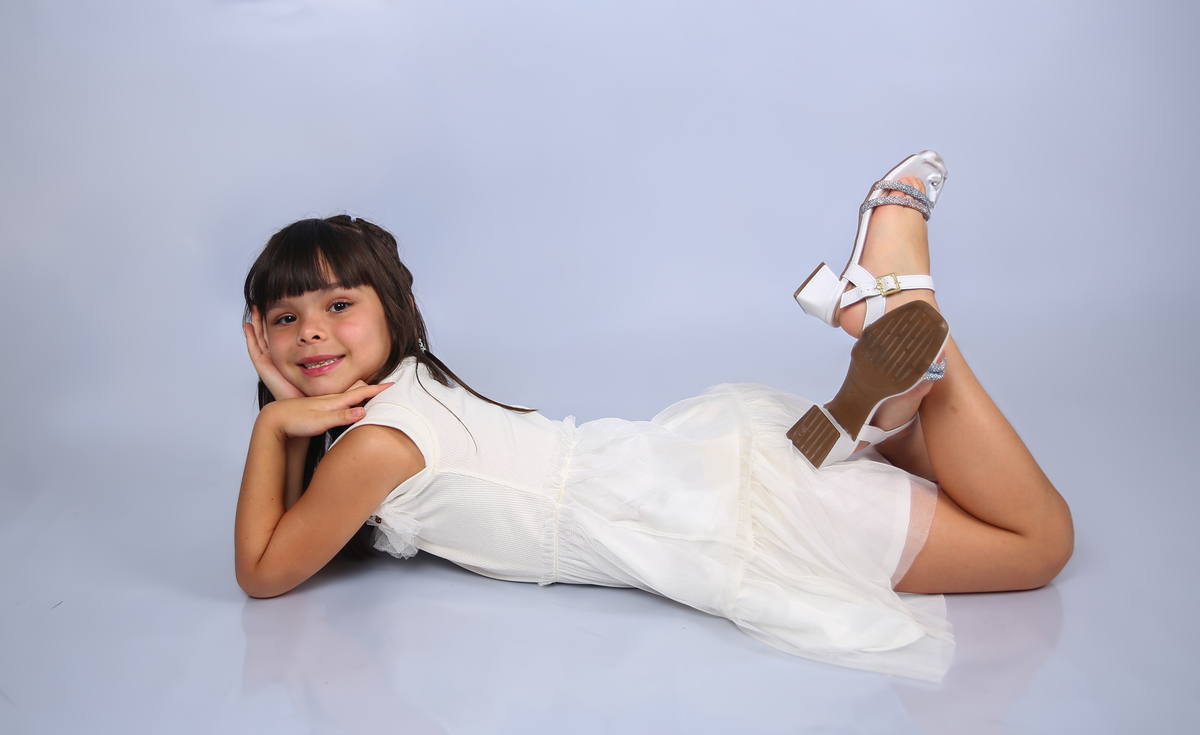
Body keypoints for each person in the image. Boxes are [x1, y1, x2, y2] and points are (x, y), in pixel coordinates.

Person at [235, 152, 1073, 682]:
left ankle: (901, 303)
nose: (310, 333)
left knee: (1039, 545)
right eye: (284, 318)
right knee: (930, 474)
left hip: (696, 518)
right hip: (682, 459)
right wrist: (295, 404)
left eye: (337, 305)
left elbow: (264, 572)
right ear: (261, 335)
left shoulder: (373, 447)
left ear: (394, 309)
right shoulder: (410, 384)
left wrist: (274, 424)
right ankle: (876, 404)